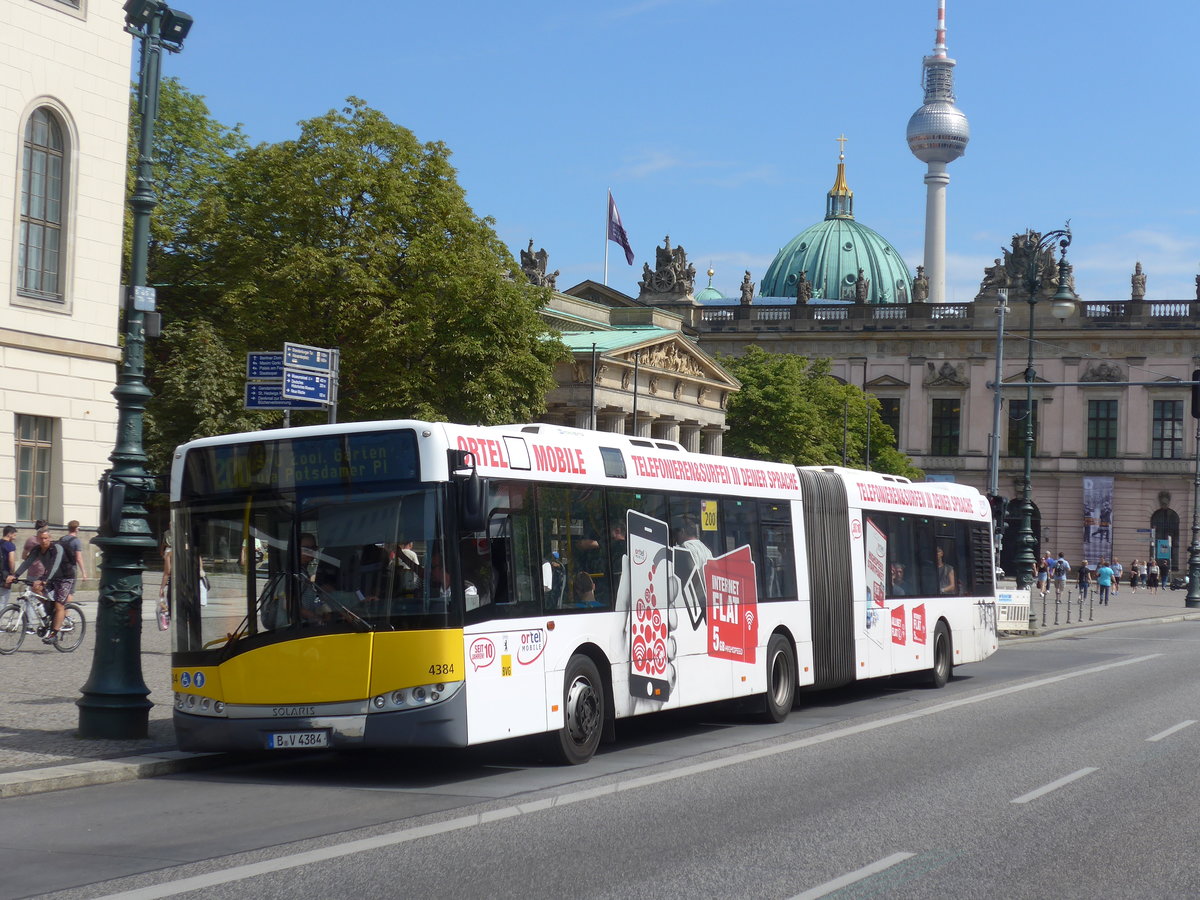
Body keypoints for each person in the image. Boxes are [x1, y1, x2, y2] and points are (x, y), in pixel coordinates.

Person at [5, 528, 70, 643]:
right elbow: (27, 562)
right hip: (50, 576)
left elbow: (55, 565)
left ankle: (54, 634)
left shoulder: (56, 548)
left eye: (46, 538)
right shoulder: (37, 549)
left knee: (59, 605)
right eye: (41, 538)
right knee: (35, 589)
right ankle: (48, 613)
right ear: (37, 539)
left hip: (65, 577)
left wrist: (44, 580)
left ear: (49, 538)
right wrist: (15, 575)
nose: (43, 541)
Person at [0, 526, 16, 608]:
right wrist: (12, 573)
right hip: (4, 575)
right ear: (9, 534)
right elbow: (11, 560)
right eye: (14, 534)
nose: (15, 536)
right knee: (3, 600)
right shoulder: (10, 545)